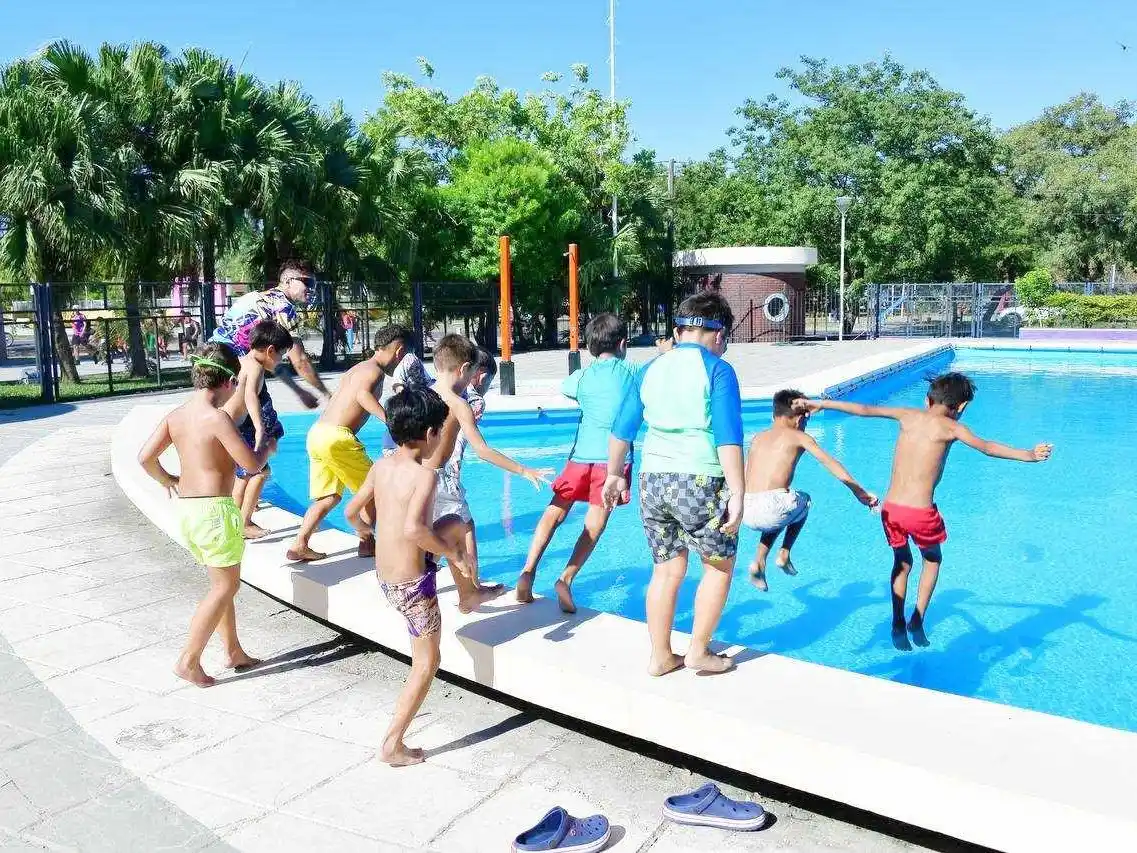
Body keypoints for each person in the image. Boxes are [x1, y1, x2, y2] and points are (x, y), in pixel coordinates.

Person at [796, 373, 1053, 649]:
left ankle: (897, 622)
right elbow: (988, 448)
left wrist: (821, 404)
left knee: (902, 563)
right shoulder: (952, 428)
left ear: (927, 400)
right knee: (932, 560)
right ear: (962, 406)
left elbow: (864, 409)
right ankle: (917, 619)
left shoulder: (907, 415)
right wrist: (1028, 455)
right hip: (920, 513)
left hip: (891, 510)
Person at [602, 292, 744, 676]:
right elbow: (728, 437)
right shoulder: (718, 370)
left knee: (666, 570)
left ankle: (661, 656)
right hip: (700, 479)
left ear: (679, 332)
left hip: (652, 481)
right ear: (719, 334)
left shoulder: (650, 369)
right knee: (718, 566)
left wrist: (614, 474)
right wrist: (737, 491)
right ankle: (698, 651)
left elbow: (621, 430)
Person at [136, 344, 271, 688]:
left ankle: (234, 651)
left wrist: (167, 479)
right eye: (236, 384)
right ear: (227, 382)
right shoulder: (217, 418)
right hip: (215, 512)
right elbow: (251, 465)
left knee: (221, 585)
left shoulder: (176, 416)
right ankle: (188, 660)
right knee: (227, 586)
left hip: (190, 511)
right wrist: (265, 447)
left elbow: (145, 457)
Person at [344, 386, 463, 766]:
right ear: (430, 434)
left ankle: (469, 589)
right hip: (414, 587)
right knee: (427, 663)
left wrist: (368, 533)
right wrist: (451, 554)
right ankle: (392, 743)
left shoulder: (381, 467)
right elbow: (415, 529)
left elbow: (351, 512)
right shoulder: (424, 476)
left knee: (454, 521)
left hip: (387, 578)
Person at [516, 314, 642, 613]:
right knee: (595, 522)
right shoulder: (632, 371)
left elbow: (567, 386)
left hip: (579, 458)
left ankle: (528, 571)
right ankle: (566, 578)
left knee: (555, 511)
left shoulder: (582, 377)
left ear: (590, 348)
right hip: (612, 462)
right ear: (623, 344)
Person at [423, 334, 553, 613]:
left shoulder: (422, 394)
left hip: (416, 475)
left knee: (445, 530)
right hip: (441, 479)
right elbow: (482, 450)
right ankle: (469, 592)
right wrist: (523, 470)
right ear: (464, 369)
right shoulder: (459, 404)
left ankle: (465, 587)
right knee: (460, 529)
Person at [211, 263, 331, 536]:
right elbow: (298, 361)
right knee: (263, 449)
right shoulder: (285, 309)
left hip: (217, 370)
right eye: (307, 283)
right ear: (287, 281)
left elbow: (269, 358)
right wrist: (324, 392)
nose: (311, 290)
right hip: (241, 377)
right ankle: (244, 518)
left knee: (238, 445)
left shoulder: (254, 298)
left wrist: (298, 391)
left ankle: (240, 503)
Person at [287, 325, 416, 562]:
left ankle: (300, 544)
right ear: (399, 352)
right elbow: (362, 396)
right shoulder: (375, 372)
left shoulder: (358, 368)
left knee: (328, 497)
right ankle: (367, 543)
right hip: (338, 437)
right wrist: (390, 421)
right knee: (373, 490)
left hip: (318, 433)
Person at [743, 389, 878, 592]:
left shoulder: (757, 438)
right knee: (803, 501)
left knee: (783, 506)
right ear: (800, 418)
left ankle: (758, 562)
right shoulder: (799, 436)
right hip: (772, 509)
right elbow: (831, 463)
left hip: (747, 509)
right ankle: (784, 553)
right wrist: (858, 491)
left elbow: (746, 473)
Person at [221, 320, 294, 539]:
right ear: (270, 350)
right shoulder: (255, 367)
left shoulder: (243, 360)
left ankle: (234, 523)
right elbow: (250, 395)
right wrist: (260, 427)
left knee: (244, 476)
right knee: (260, 472)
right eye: (281, 355)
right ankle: (243, 523)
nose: (280, 361)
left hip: (231, 427)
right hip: (239, 429)